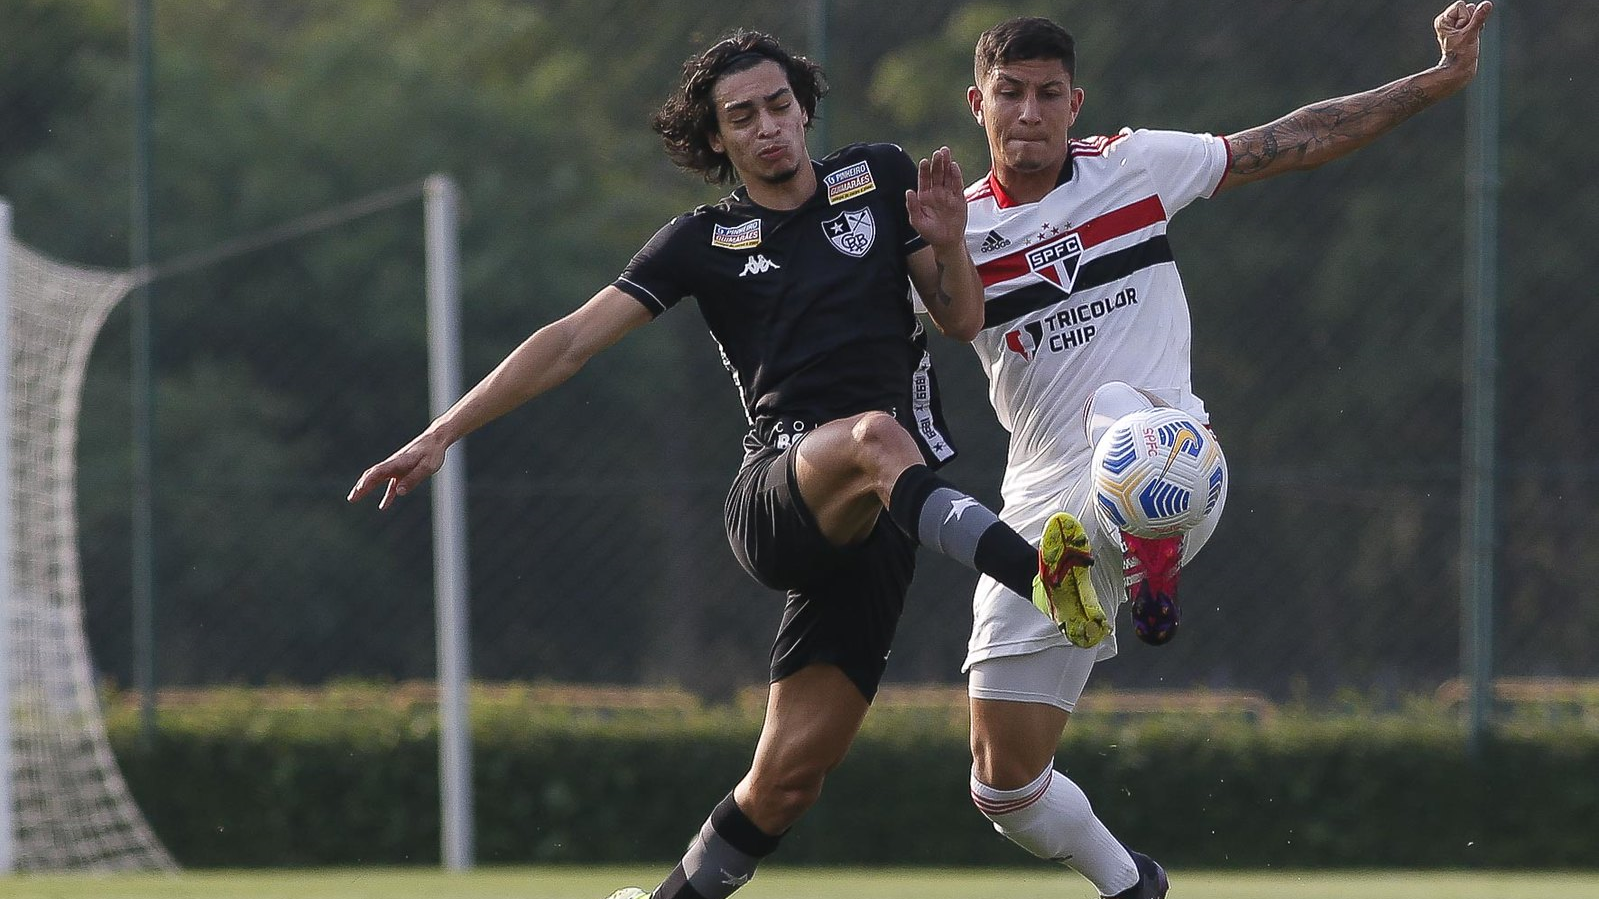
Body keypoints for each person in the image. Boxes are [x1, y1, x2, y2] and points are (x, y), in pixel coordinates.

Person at [347, 30, 1094, 899]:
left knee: (785, 781)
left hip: (880, 520)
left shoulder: (882, 178)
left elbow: (962, 320)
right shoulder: (703, 241)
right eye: (743, 117)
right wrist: (442, 432)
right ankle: (1044, 576)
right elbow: (568, 343)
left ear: (805, 108)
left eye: (779, 106)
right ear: (715, 141)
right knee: (876, 437)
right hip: (780, 494)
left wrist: (951, 242)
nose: (769, 127)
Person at [950, 4, 1494, 898]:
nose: (1030, 112)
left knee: (1122, 413)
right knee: (1002, 785)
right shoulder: (954, 230)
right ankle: (1132, 882)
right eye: (1010, 94)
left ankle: (1142, 551)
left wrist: (1438, 77)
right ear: (978, 105)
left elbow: (1295, 137)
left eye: (1048, 94)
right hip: (1040, 512)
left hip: (1169, 461)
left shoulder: (1133, 166)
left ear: (1074, 102)